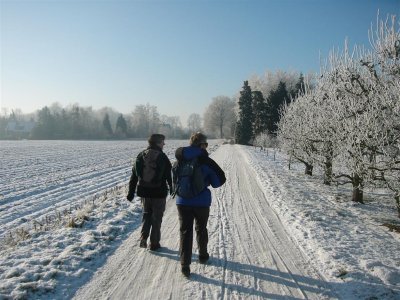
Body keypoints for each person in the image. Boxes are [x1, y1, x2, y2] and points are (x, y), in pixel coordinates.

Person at [174, 132, 226, 277]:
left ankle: (185, 265)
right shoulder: (206, 161)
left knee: (185, 231)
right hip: (201, 202)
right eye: (206, 144)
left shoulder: (180, 159)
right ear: (202, 145)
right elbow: (219, 182)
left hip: (182, 201)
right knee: (201, 229)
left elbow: (174, 178)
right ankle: (203, 256)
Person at [127, 134, 172, 251]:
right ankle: (154, 243)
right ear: (157, 143)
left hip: (144, 192)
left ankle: (143, 236)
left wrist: (131, 192)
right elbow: (168, 174)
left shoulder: (141, 156)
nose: (164, 144)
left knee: (147, 214)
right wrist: (172, 188)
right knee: (157, 218)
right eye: (162, 142)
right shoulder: (162, 157)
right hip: (159, 193)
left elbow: (134, 175)